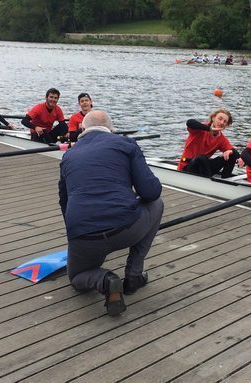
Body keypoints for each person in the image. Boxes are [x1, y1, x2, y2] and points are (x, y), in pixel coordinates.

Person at [59, 110, 163, 316]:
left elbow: (64, 202)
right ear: (111, 130)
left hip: (84, 235)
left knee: (78, 277)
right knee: (157, 204)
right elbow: (150, 192)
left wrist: (77, 237)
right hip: (126, 228)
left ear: (82, 130)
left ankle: (106, 281)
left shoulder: (68, 156)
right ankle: (133, 276)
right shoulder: (126, 144)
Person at [177, 108, 239, 178]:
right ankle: (209, 183)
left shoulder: (222, 139)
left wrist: (230, 151)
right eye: (220, 119)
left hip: (204, 168)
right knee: (202, 158)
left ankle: (225, 181)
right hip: (187, 167)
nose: (222, 122)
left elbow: (237, 154)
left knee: (232, 155)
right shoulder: (200, 129)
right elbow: (189, 122)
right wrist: (209, 129)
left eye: (225, 122)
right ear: (213, 118)